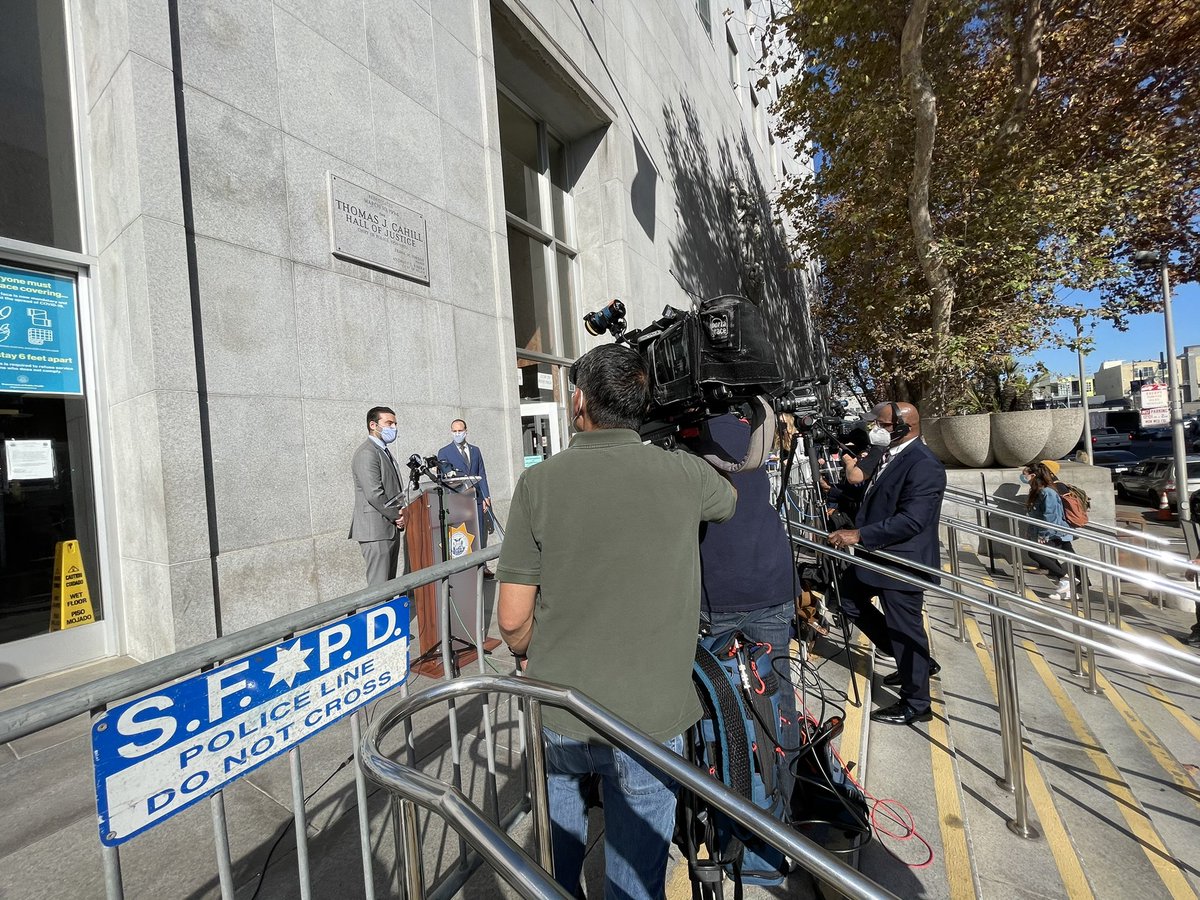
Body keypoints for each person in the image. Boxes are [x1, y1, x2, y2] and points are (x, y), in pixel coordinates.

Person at [497, 344, 737, 900]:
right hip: (651, 719)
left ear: (578, 400)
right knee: (636, 880)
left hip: (562, 704)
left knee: (556, 858)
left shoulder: (539, 484)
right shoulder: (682, 473)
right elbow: (728, 498)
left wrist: (536, 643)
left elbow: (512, 621)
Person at [687, 413, 800, 794]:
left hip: (714, 593)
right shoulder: (754, 432)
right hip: (770, 580)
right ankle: (786, 796)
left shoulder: (687, 439)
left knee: (714, 695)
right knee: (778, 693)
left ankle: (726, 791)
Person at [827, 401, 947, 726]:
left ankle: (916, 703)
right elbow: (871, 491)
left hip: (901, 562)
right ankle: (910, 660)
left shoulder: (923, 464)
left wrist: (858, 535)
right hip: (876, 559)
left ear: (903, 427)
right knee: (846, 598)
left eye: (881, 424)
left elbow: (912, 520)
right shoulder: (888, 454)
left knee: (905, 629)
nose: (874, 429)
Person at [348, 406, 406, 586]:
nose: (393, 428)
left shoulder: (383, 451)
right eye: (389, 423)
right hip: (376, 531)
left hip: (388, 528)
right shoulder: (367, 453)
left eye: (395, 424)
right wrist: (397, 515)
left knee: (388, 586)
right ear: (373, 425)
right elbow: (374, 493)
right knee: (378, 588)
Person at [436, 418, 493, 557]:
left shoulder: (475, 450)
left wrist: (486, 496)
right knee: (462, 533)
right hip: (458, 500)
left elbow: (482, 474)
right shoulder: (444, 452)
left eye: (460, 431)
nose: (457, 434)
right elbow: (444, 478)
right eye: (454, 431)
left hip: (476, 498)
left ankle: (481, 564)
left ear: (466, 432)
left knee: (479, 532)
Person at [1021, 459, 1076, 601]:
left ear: (1033, 476)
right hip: (1050, 532)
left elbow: (1050, 516)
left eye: (1025, 474)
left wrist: (1044, 534)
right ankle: (1066, 589)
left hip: (1055, 532)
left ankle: (1065, 578)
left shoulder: (1047, 492)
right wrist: (1030, 531)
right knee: (1052, 557)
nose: (1023, 477)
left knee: (1035, 553)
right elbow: (1035, 515)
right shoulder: (1037, 491)